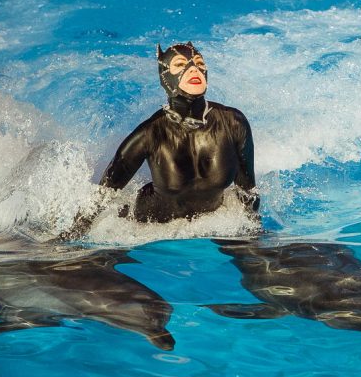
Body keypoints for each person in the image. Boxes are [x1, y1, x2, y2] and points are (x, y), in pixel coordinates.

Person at [59, 42, 258, 240]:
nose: (193, 69)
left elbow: (248, 192)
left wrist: (253, 236)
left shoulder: (233, 123)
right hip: (148, 228)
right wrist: (68, 240)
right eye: (181, 65)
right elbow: (103, 196)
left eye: (199, 63)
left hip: (207, 226)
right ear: (165, 77)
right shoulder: (150, 133)